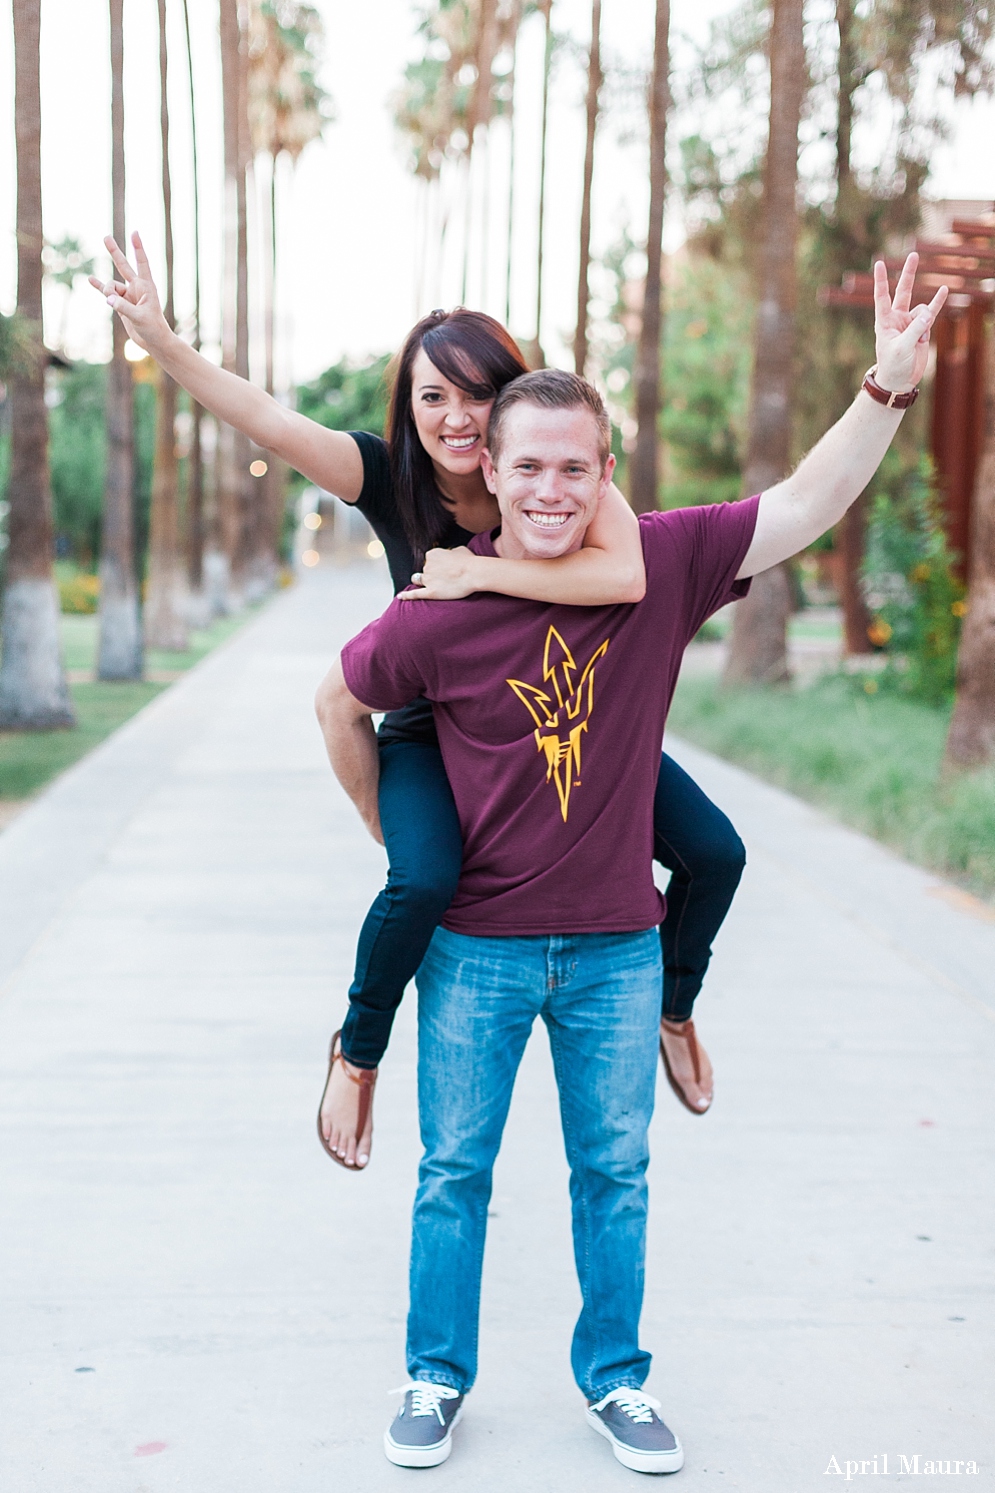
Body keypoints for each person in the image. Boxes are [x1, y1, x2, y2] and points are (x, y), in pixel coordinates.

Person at [314, 256, 945, 1472]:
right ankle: (434, 1373)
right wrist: (389, 838)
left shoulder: (658, 568)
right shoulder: (434, 608)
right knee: (455, 1173)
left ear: (605, 475)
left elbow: (808, 500)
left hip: (614, 947)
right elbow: (339, 705)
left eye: (574, 466)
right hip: (476, 953)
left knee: (615, 1173)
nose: (549, 489)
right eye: (526, 465)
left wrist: (886, 387)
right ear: (484, 472)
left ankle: (615, 1379)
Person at [93, 235, 748, 1172]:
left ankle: (674, 1004)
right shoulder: (385, 477)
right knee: (422, 880)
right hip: (435, 728)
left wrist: (481, 583)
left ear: (512, 397)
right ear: (409, 406)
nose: (454, 417)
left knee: (715, 852)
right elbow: (268, 421)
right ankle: (356, 1053)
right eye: (430, 395)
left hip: (562, 723)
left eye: (475, 393)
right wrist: (162, 342)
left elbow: (629, 576)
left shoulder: (558, 474)